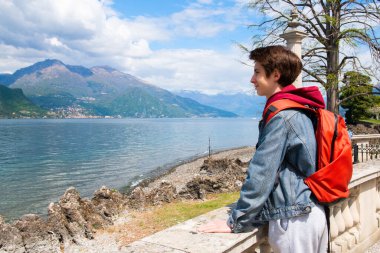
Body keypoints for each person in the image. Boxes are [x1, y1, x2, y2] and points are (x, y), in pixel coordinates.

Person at [198, 45, 328, 253]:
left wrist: (236, 220)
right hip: (308, 211)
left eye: (257, 72)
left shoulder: (283, 116)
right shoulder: (300, 107)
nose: (252, 79)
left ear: (275, 75)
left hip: (294, 220)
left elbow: (262, 172)